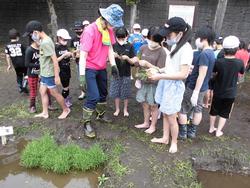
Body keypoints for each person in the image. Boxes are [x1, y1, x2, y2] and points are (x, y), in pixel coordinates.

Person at [149, 17, 193, 153]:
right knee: (166, 113)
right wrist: (157, 70)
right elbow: (170, 68)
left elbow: (183, 74)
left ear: (180, 33)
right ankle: (165, 138)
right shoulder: (175, 46)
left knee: (172, 117)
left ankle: (174, 142)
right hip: (166, 83)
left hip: (174, 87)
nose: (167, 37)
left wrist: (160, 75)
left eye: (169, 34)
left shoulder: (186, 49)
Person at [79, 4, 124, 138]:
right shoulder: (90, 31)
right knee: (93, 96)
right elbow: (83, 56)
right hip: (89, 68)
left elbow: (109, 49)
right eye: (113, 23)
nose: (114, 27)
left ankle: (100, 115)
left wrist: (114, 65)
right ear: (105, 19)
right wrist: (82, 76)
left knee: (103, 93)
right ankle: (86, 123)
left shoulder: (108, 30)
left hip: (101, 67)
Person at [23, 20, 70, 119]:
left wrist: (57, 76)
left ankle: (66, 109)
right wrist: (41, 72)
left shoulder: (46, 43)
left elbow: (55, 60)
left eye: (31, 34)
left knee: (54, 93)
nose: (31, 36)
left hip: (49, 73)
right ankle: (45, 112)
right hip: (44, 73)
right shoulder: (43, 41)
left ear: (36, 32)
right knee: (42, 91)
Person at [178, 26, 215, 139]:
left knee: (183, 108)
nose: (196, 41)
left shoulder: (204, 54)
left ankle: (183, 133)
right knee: (198, 109)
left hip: (194, 87)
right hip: (204, 87)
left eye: (197, 38)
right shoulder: (211, 53)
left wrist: (195, 91)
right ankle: (192, 132)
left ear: (204, 39)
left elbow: (202, 74)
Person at [209, 36, 244, 137]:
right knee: (225, 112)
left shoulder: (218, 62)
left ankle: (211, 127)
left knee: (214, 110)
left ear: (224, 49)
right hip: (231, 92)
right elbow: (241, 72)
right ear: (236, 49)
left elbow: (214, 72)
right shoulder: (239, 63)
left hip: (218, 90)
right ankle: (218, 130)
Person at [134, 26, 166, 134]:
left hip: (154, 83)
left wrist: (148, 65)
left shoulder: (162, 52)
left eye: (155, 40)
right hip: (143, 81)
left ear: (160, 41)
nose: (152, 42)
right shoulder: (143, 47)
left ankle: (153, 126)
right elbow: (137, 61)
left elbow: (161, 70)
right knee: (145, 104)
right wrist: (137, 76)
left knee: (153, 105)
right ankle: (146, 122)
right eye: (150, 39)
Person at [110, 27, 138, 117]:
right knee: (116, 92)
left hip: (126, 73)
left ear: (126, 36)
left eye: (123, 38)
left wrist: (128, 58)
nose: (121, 40)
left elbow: (134, 60)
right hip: (116, 73)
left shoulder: (130, 46)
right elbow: (107, 59)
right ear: (116, 37)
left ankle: (125, 109)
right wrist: (112, 57)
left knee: (125, 93)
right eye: (119, 38)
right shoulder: (113, 46)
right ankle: (117, 109)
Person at [70, 20, 89, 100]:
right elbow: (71, 50)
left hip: (88, 62)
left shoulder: (87, 38)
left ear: (82, 28)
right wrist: (74, 54)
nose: (78, 31)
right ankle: (83, 93)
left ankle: (90, 92)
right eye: (76, 29)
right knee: (81, 78)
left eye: (79, 29)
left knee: (89, 77)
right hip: (78, 62)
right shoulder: (73, 40)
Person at [5, 28, 28, 93]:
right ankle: (24, 85)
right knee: (26, 74)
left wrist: (9, 65)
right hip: (24, 63)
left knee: (19, 75)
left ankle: (20, 86)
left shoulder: (7, 46)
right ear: (17, 36)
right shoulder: (21, 44)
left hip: (16, 64)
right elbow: (27, 53)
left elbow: (7, 56)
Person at [56, 29, 73, 107]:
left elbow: (69, 55)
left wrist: (70, 55)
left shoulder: (65, 46)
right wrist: (63, 56)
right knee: (65, 86)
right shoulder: (56, 47)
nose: (66, 40)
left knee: (67, 85)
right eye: (64, 39)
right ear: (59, 38)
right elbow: (55, 60)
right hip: (61, 70)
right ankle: (64, 100)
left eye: (67, 39)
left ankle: (66, 98)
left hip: (67, 68)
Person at [25, 36, 40, 113]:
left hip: (42, 73)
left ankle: (49, 104)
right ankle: (32, 106)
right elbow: (27, 64)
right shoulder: (29, 50)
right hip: (32, 74)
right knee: (33, 90)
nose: (41, 41)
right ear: (34, 40)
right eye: (39, 40)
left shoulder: (41, 48)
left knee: (46, 89)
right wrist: (39, 66)